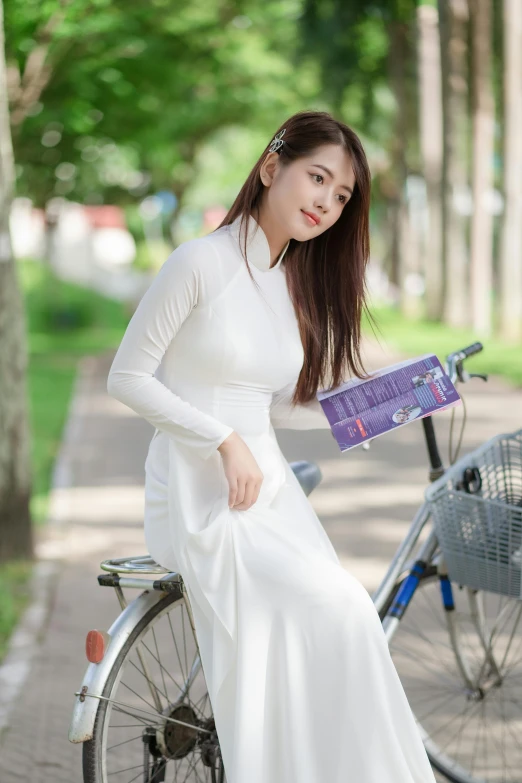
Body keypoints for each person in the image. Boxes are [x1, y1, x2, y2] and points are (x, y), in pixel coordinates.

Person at [107, 110, 437, 783]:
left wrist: (373, 407)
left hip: (269, 495)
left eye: (343, 195)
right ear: (270, 168)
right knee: (337, 608)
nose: (327, 202)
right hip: (201, 493)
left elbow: (268, 401)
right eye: (318, 178)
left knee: (345, 617)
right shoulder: (201, 261)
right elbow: (128, 377)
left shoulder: (289, 282)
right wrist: (221, 438)